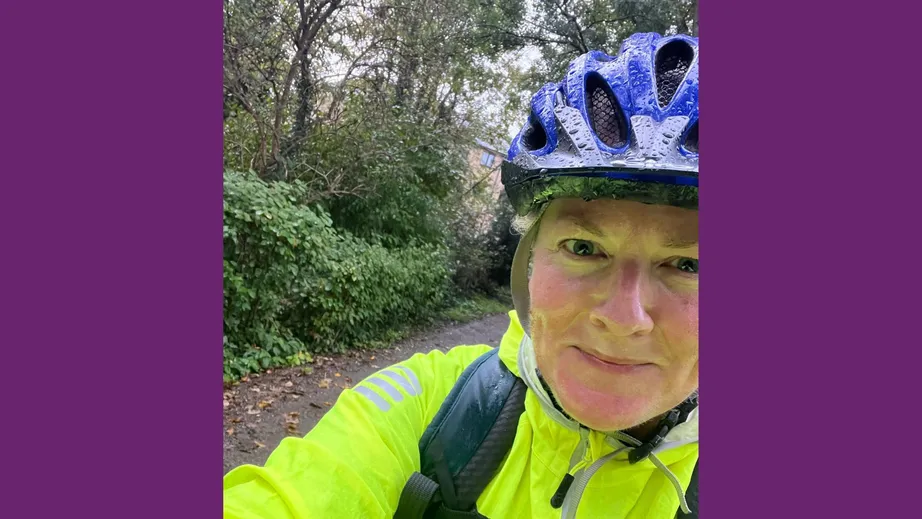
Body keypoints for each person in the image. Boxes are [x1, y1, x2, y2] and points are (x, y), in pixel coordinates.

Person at [224, 32, 699, 519]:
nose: (624, 318)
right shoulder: (437, 407)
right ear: (530, 261)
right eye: (583, 248)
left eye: (689, 264)